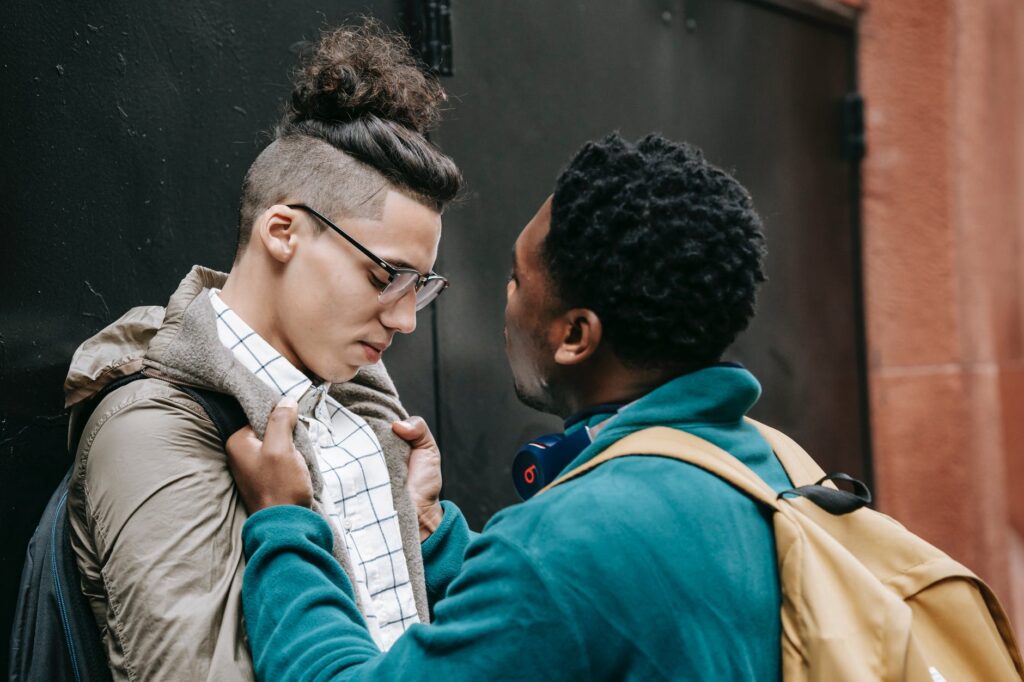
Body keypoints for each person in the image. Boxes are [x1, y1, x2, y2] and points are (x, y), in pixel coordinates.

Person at [227, 133, 790, 680]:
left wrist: (286, 525)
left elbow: (556, 590)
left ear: (575, 336)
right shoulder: (769, 466)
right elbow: (554, 634)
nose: (406, 320)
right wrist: (431, 528)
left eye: (518, 281)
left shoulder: (566, 544)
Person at [63, 20, 460, 680]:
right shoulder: (152, 429)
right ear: (283, 232)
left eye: (419, 289)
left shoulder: (353, 407)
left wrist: (419, 525)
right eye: (384, 276)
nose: (405, 321)